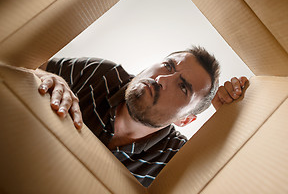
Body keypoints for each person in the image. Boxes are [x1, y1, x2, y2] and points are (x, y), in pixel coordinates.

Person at [35, 46, 249, 187]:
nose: (162, 78)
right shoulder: (99, 74)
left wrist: (227, 122)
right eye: (168, 65)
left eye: (183, 87)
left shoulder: (174, 159)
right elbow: (21, 67)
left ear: (184, 120)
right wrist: (46, 76)